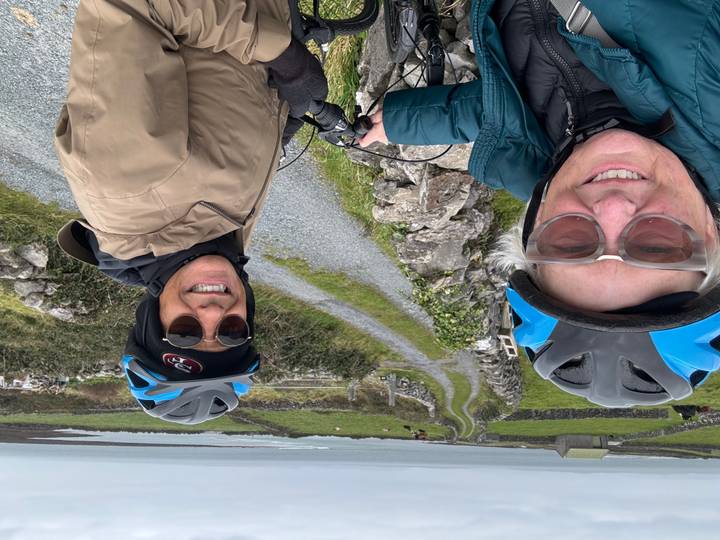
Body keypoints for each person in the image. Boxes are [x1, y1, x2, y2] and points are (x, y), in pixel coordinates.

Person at [360, 0, 720, 406]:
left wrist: (397, 122)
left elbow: (502, 113)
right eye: (656, 245)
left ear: (534, 225)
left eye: (571, 243)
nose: (613, 207)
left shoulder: (544, 168)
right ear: (711, 233)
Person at [53, 0, 328, 423]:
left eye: (185, 332)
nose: (215, 315)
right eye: (232, 333)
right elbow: (220, 147)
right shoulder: (205, 247)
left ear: (151, 321)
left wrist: (282, 55)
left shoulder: (127, 184)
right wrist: (283, 119)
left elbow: (127, 7)